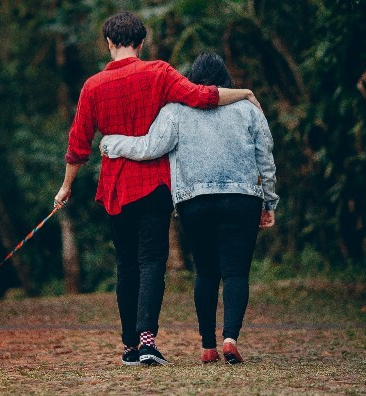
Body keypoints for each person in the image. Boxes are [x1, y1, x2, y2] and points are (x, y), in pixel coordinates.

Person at [54, 12, 261, 366]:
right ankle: (148, 342)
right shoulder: (159, 73)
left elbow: (78, 144)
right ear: (141, 41)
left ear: (109, 43)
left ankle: (130, 346)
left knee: (126, 264)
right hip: (154, 185)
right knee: (151, 262)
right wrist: (244, 93)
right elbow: (201, 97)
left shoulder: (92, 87)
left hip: (115, 188)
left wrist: (66, 187)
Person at [100, 52, 279, 364]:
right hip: (243, 198)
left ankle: (207, 346)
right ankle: (230, 338)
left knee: (206, 271)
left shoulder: (175, 111)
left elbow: (148, 148)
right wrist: (269, 201)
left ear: (192, 81)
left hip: (194, 202)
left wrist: (112, 143)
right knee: (236, 271)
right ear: (226, 80)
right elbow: (266, 157)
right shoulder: (248, 109)